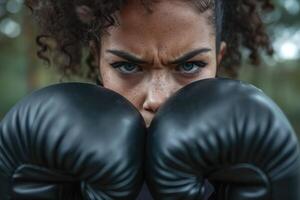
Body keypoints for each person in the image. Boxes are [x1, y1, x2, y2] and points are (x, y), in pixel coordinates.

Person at [24, 0, 275, 199]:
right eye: (127, 66)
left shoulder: (247, 168)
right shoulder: (55, 168)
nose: (158, 99)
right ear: (98, 59)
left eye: (189, 65)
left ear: (217, 60)